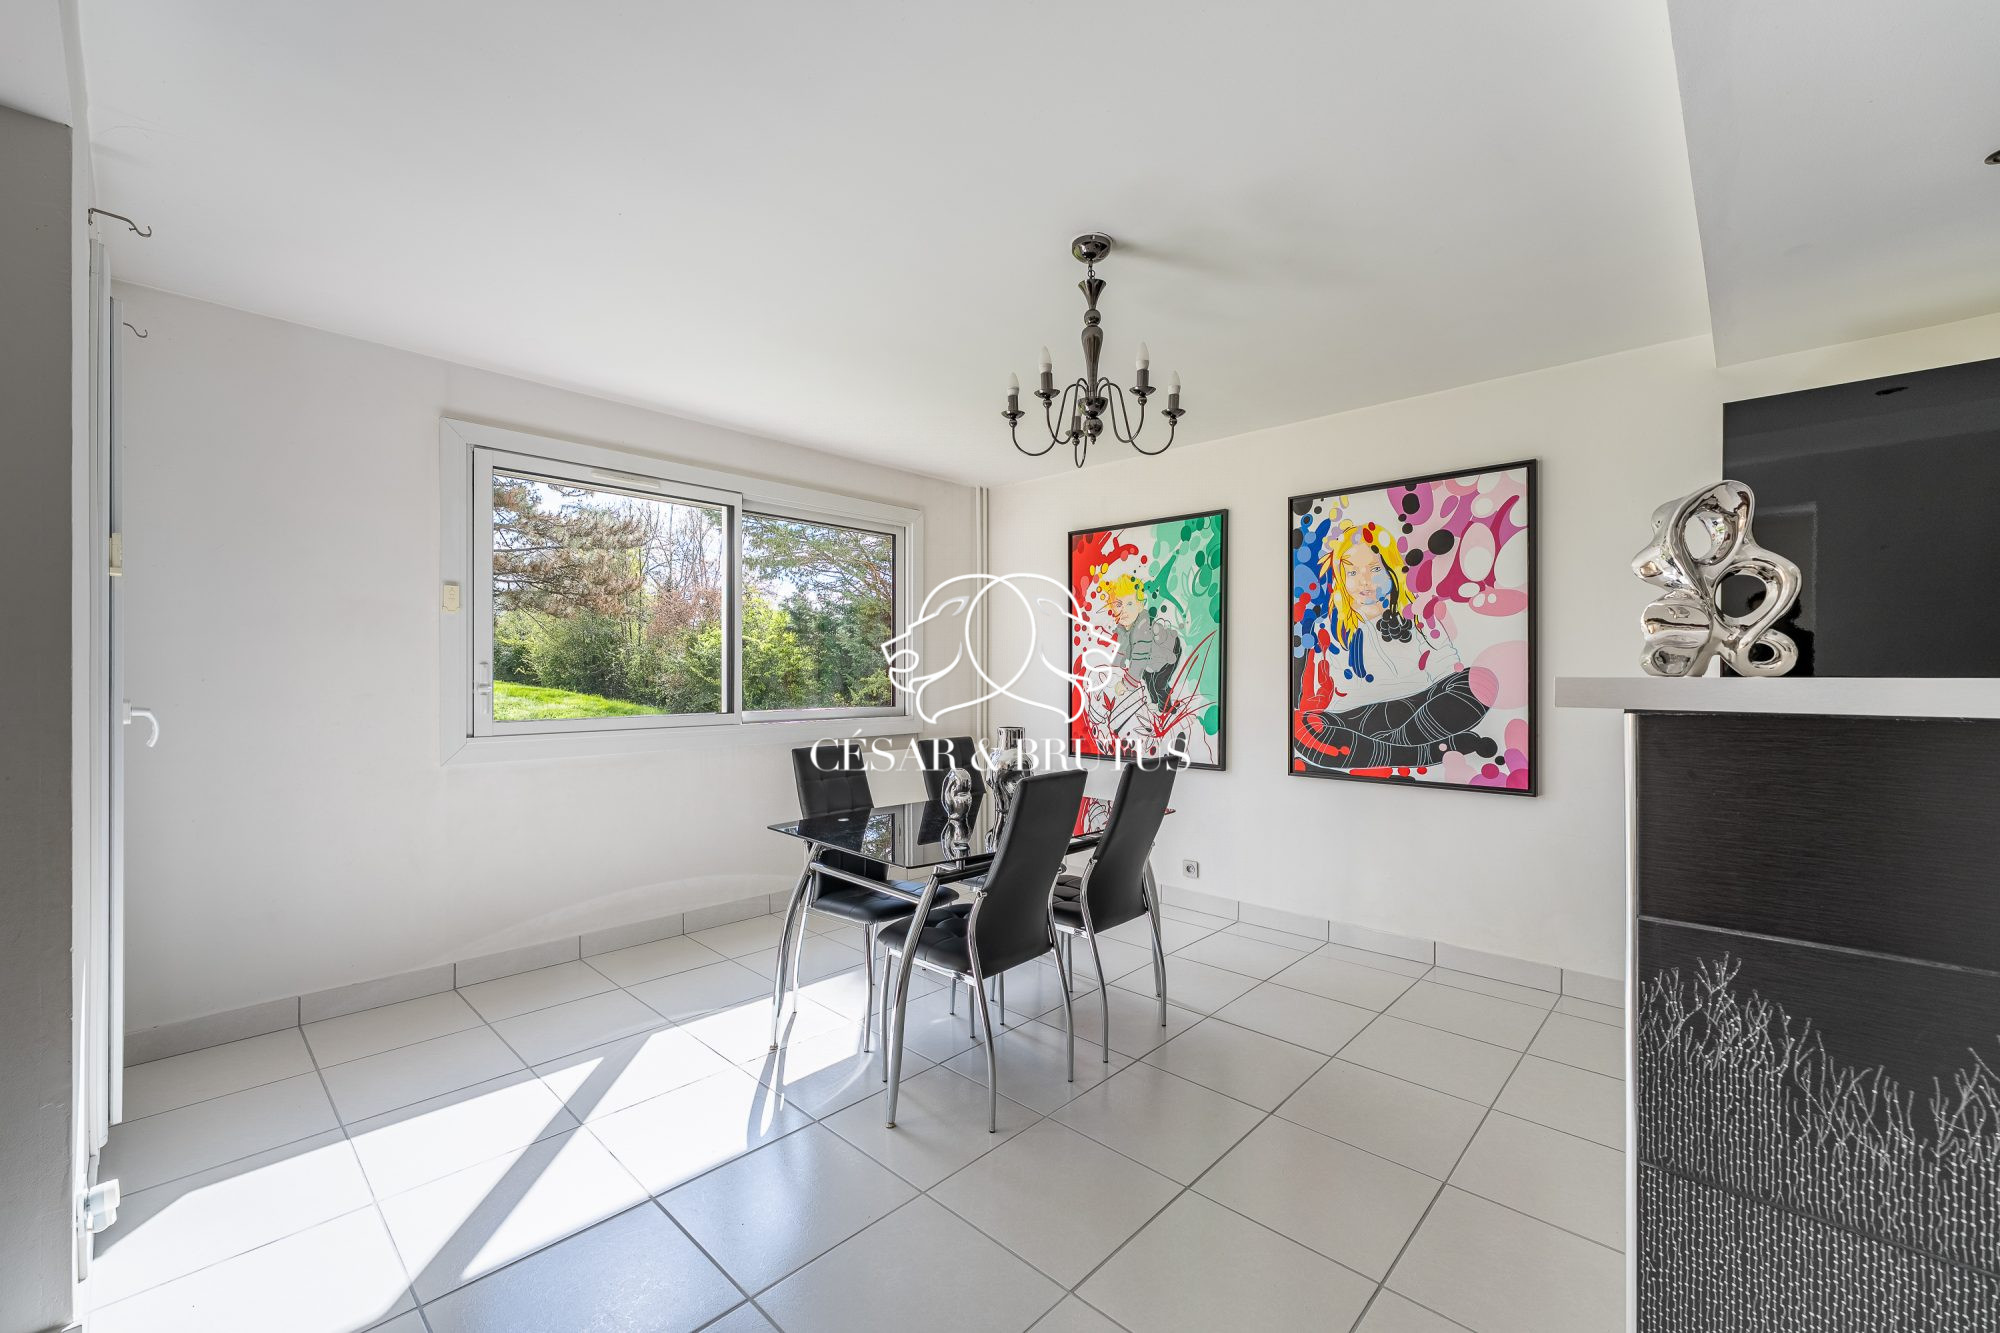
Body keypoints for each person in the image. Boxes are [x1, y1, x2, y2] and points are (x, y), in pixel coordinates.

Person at [1295, 520, 1490, 771]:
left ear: (1392, 569)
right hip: (1354, 720)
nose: (1364, 581)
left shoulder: (1417, 614)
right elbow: (1317, 693)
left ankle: (1388, 748)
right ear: (1341, 578)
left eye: (1374, 569)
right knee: (1304, 729)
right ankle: (1419, 752)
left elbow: (1447, 668)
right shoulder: (1327, 627)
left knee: (1479, 681)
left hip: (1420, 707)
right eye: (1352, 573)